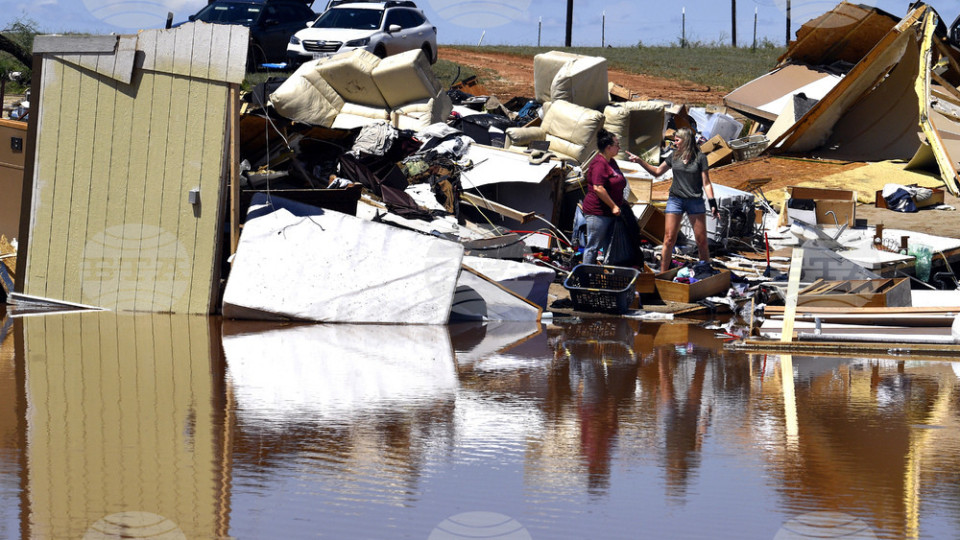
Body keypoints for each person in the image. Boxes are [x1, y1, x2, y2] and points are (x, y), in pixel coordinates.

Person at [629, 127, 720, 272]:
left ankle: (705, 270)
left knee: (701, 240)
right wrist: (640, 161)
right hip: (675, 199)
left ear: (686, 141)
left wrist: (713, 203)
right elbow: (657, 172)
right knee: (669, 238)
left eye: (677, 140)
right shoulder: (674, 156)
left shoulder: (700, 158)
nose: (674, 143)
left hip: (694, 201)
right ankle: (663, 272)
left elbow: (706, 182)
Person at [581, 129, 627, 265]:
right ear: (608, 147)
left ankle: (607, 275)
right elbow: (598, 187)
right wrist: (613, 206)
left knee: (610, 247)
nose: (619, 148)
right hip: (598, 213)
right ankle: (586, 276)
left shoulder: (611, 162)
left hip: (612, 213)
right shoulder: (599, 164)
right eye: (617, 145)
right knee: (593, 247)